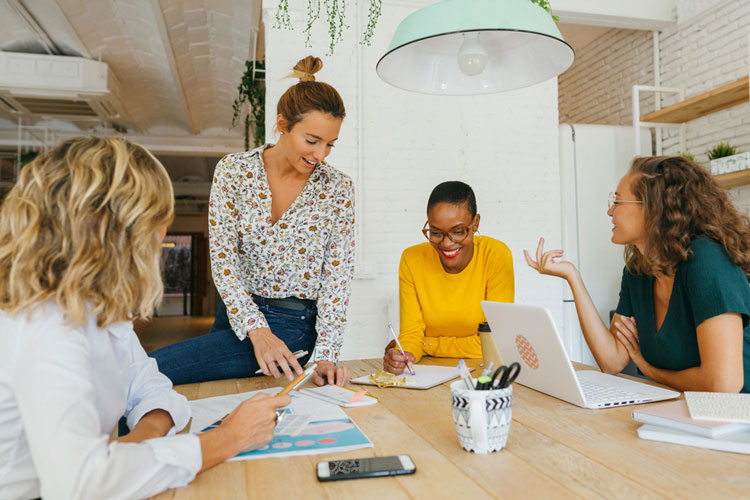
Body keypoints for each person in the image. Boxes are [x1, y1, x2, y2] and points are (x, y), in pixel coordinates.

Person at [0, 137, 290, 500]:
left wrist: (136, 449)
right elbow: (82, 484)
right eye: (153, 222)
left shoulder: (98, 309)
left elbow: (151, 386)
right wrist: (228, 438)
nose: (160, 236)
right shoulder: (43, 327)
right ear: (108, 233)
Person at [150, 56, 354, 387]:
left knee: (151, 368)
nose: (321, 155)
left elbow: (337, 277)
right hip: (236, 318)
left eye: (330, 144)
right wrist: (256, 329)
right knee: (188, 394)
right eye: (312, 141)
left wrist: (326, 355)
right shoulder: (234, 171)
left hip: (293, 325)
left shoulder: (337, 188)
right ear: (283, 125)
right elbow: (224, 260)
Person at [525, 155, 750, 393]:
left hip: (737, 420)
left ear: (654, 209)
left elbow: (724, 384)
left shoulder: (707, 260)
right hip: (685, 413)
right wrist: (572, 276)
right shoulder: (638, 271)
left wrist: (649, 370)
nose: (609, 211)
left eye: (618, 202)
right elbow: (612, 361)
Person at [383, 181, 515, 374]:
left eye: (458, 231)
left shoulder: (495, 255)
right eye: (435, 233)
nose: (446, 243)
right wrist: (403, 355)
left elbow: (494, 342)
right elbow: (411, 335)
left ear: (475, 223)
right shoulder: (412, 259)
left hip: (484, 372)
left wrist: (427, 344)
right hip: (428, 372)